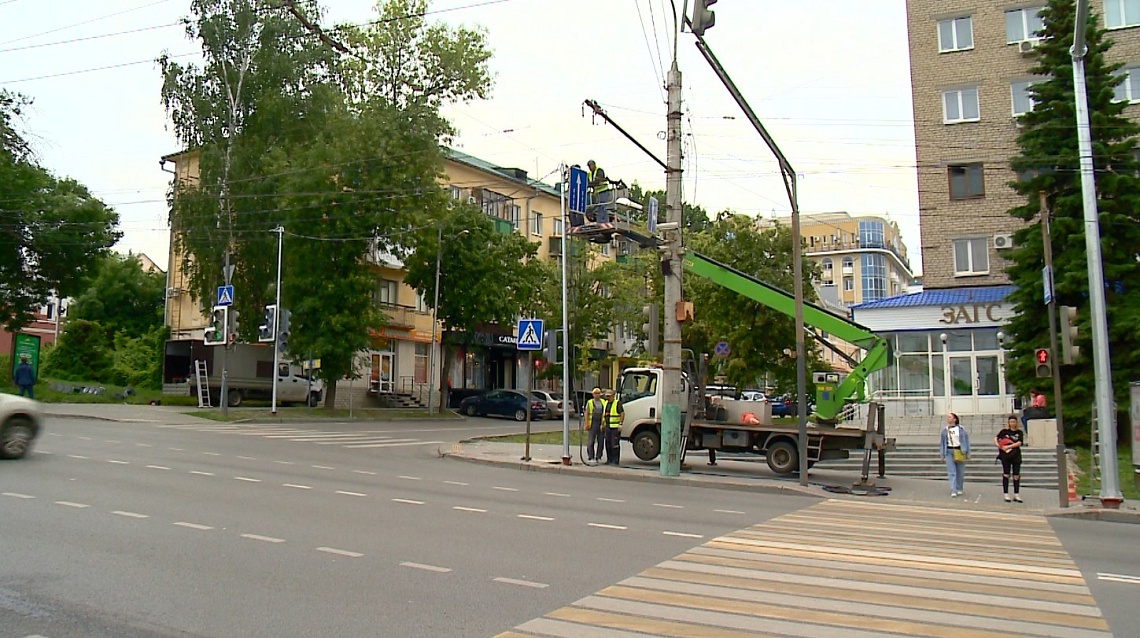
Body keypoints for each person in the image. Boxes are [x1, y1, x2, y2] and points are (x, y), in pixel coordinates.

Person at [994, 415, 1025, 503]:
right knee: (1006, 474)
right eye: (1011, 422)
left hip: (1016, 455)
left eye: (1014, 422)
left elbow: (1019, 442)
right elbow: (996, 438)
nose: (1012, 423)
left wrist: (1009, 446)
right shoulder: (1004, 432)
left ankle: (1016, 494)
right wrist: (999, 446)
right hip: (1006, 456)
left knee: (1016, 475)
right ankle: (1006, 494)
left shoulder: (1019, 432)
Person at [939, 412, 970, 497]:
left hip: (960, 451)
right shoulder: (945, 430)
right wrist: (942, 454)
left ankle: (959, 488)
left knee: (960, 472)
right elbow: (942, 443)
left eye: (950, 417)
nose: (948, 419)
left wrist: (968, 453)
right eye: (947, 417)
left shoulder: (961, 429)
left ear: (954, 419)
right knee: (951, 472)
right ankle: (953, 489)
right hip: (949, 451)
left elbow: (966, 441)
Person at [583, 387, 606, 463]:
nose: (597, 395)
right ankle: (591, 456)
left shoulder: (603, 402)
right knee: (591, 441)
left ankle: (598, 456)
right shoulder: (589, 402)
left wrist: (603, 424)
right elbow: (586, 413)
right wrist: (586, 423)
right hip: (592, 422)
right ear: (593, 394)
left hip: (601, 422)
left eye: (598, 393)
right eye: (595, 393)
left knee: (601, 441)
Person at [603, 388, 624, 465]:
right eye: (606, 396)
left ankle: (616, 460)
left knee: (614, 444)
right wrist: (602, 424)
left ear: (613, 396)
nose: (607, 398)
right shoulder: (606, 403)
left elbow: (622, 413)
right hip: (608, 426)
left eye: (609, 396)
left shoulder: (617, 403)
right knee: (608, 444)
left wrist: (620, 424)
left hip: (615, 427)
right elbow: (604, 415)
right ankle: (609, 459)